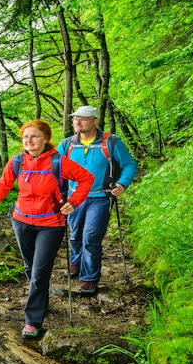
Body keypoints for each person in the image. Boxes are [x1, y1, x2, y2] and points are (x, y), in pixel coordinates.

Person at [0, 119, 94, 339]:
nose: (28, 141)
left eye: (33, 136)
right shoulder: (16, 162)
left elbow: (86, 178)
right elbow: (4, 184)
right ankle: (41, 298)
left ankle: (32, 321)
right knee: (30, 267)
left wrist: (74, 201)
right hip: (21, 221)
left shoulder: (58, 162)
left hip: (50, 224)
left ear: (45, 139)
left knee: (39, 273)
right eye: (25, 137)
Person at [58, 106, 139, 296]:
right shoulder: (66, 144)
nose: (77, 122)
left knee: (91, 237)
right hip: (73, 198)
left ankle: (89, 278)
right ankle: (76, 262)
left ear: (95, 121)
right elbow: (56, 170)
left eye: (83, 119)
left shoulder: (110, 142)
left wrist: (122, 183)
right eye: (75, 119)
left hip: (100, 198)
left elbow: (129, 164)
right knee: (75, 235)